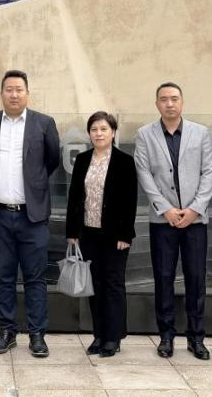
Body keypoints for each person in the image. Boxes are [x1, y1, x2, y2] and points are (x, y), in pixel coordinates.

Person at [0, 70, 61, 357]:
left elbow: (52, 160)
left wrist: (33, 187)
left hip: (32, 216)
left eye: (19, 89)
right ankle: (6, 331)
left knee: (35, 277)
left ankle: (37, 335)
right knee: (3, 276)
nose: (14, 94)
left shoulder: (44, 123)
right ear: (2, 93)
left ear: (27, 93)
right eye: (9, 89)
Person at [134, 82, 212, 360]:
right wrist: (165, 209)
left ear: (182, 102)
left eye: (174, 98)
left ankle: (196, 338)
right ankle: (166, 336)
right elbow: (144, 173)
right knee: (163, 278)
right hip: (162, 220)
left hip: (195, 220)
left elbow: (209, 172)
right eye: (164, 99)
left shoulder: (201, 133)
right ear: (157, 103)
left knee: (196, 279)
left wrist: (195, 209)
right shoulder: (144, 134)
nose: (169, 103)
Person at [65, 111, 137, 358]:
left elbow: (130, 200)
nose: (99, 134)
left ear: (113, 132)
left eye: (104, 129)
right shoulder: (83, 160)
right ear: (89, 133)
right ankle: (99, 335)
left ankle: (113, 337)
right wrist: (72, 232)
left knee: (113, 284)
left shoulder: (124, 161)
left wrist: (125, 234)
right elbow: (74, 197)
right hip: (88, 233)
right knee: (94, 285)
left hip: (115, 236)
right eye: (94, 129)